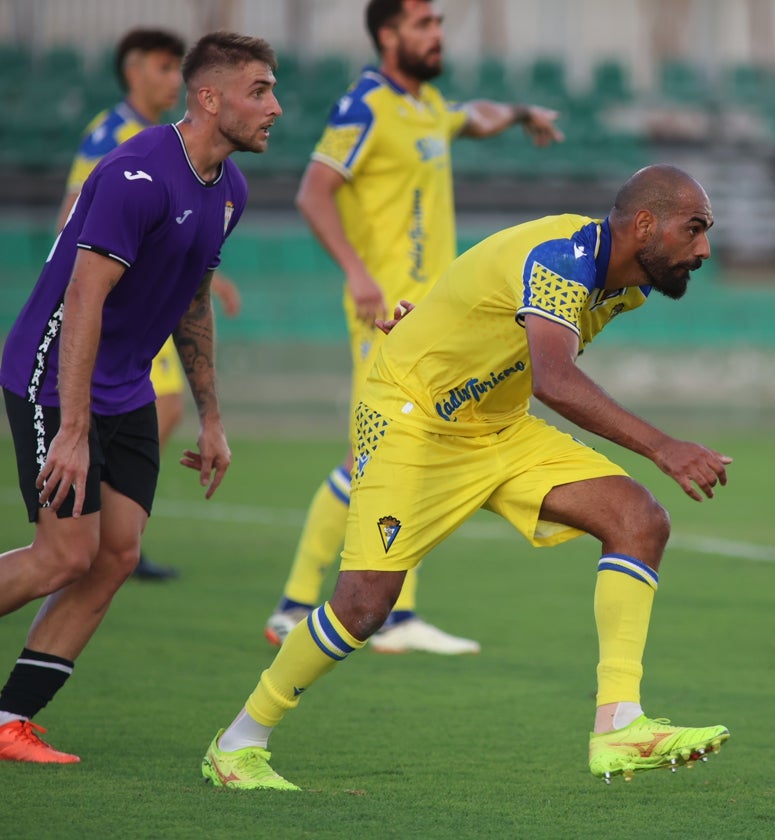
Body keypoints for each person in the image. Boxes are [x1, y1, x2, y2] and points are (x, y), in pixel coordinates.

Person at [202, 163, 732, 790]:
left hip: (496, 424)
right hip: (411, 414)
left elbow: (487, 292)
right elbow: (555, 378)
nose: (703, 248)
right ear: (645, 223)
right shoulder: (565, 258)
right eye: (693, 229)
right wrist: (663, 446)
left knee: (639, 520)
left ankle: (620, 725)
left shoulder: (627, 285)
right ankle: (238, 741)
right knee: (365, 603)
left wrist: (428, 315)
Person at [0, 31, 281, 764]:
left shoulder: (232, 191)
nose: (275, 107)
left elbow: (192, 298)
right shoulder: (135, 174)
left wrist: (212, 417)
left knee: (116, 555)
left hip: (124, 385)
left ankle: (8, 721)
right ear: (209, 97)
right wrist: (72, 430)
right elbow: (83, 300)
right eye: (259, 91)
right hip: (53, 374)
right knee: (64, 556)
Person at [264, 0, 564, 655]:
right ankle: (294, 606)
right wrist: (357, 273)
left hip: (430, 317)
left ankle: (395, 616)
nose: (437, 34)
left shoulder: (428, 106)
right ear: (388, 32)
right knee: (370, 457)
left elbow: (473, 117)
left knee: (418, 449)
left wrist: (517, 114)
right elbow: (314, 191)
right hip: (384, 312)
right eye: (424, 24)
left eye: (439, 24)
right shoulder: (364, 106)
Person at [56, 27, 244, 582]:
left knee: (166, 408)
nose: (171, 79)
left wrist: (212, 278)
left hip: (151, 306)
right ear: (134, 70)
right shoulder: (114, 135)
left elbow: (178, 233)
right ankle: (103, 524)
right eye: (163, 67)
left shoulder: (173, 142)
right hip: (114, 304)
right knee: (160, 406)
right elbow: (75, 212)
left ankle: (119, 535)